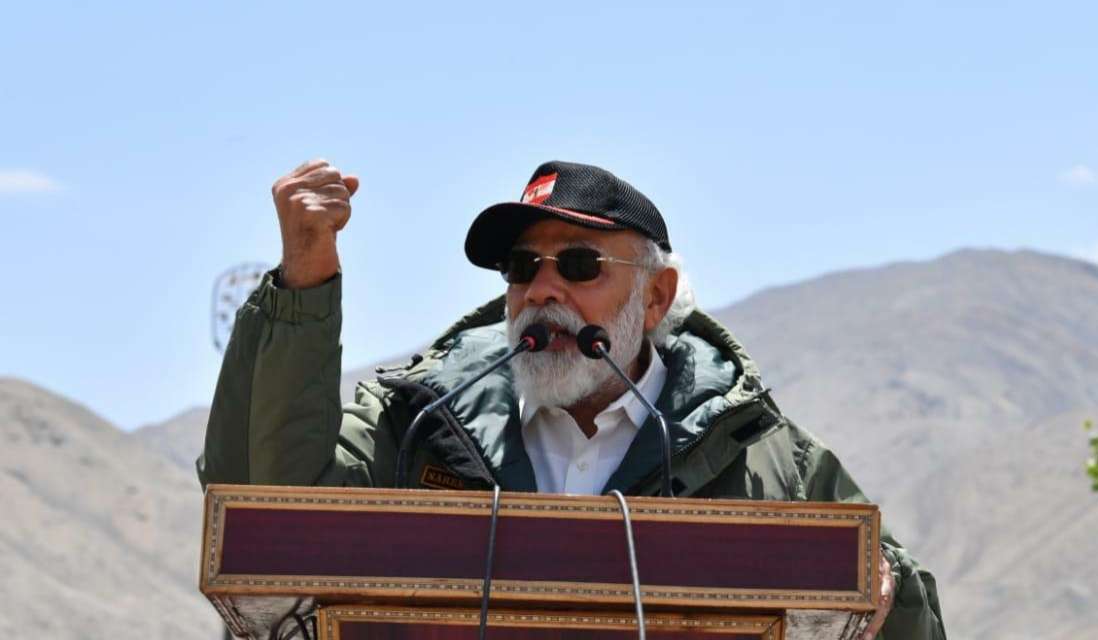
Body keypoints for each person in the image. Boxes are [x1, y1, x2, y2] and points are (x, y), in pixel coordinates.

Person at [199, 159, 946, 640]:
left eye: (580, 264)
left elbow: (902, 611)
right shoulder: (420, 423)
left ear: (655, 297)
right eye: (523, 267)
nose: (543, 290)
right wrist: (304, 284)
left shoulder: (759, 458)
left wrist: (879, 591)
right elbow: (266, 505)